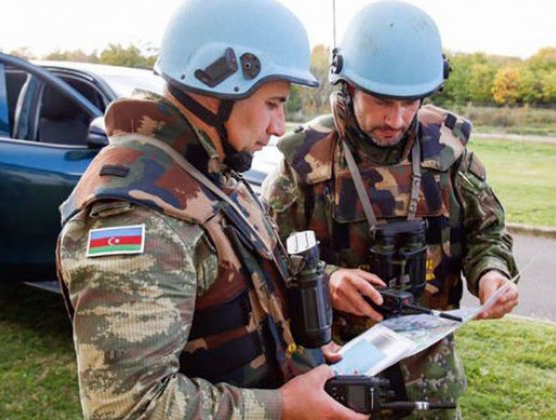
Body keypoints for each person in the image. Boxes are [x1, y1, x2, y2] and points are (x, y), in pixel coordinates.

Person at [55, 0, 367, 418]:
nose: (278, 127)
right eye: (273, 103)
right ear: (219, 87)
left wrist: (302, 351)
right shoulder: (141, 218)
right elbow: (130, 408)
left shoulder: (209, 169)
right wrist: (283, 407)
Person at [262, 1, 519, 417]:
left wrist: (492, 273)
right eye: (381, 101)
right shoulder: (305, 160)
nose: (397, 119)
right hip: (337, 373)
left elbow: (487, 231)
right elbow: (266, 256)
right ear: (347, 87)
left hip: (430, 376)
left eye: (410, 103)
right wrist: (328, 280)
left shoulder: (448, 150)